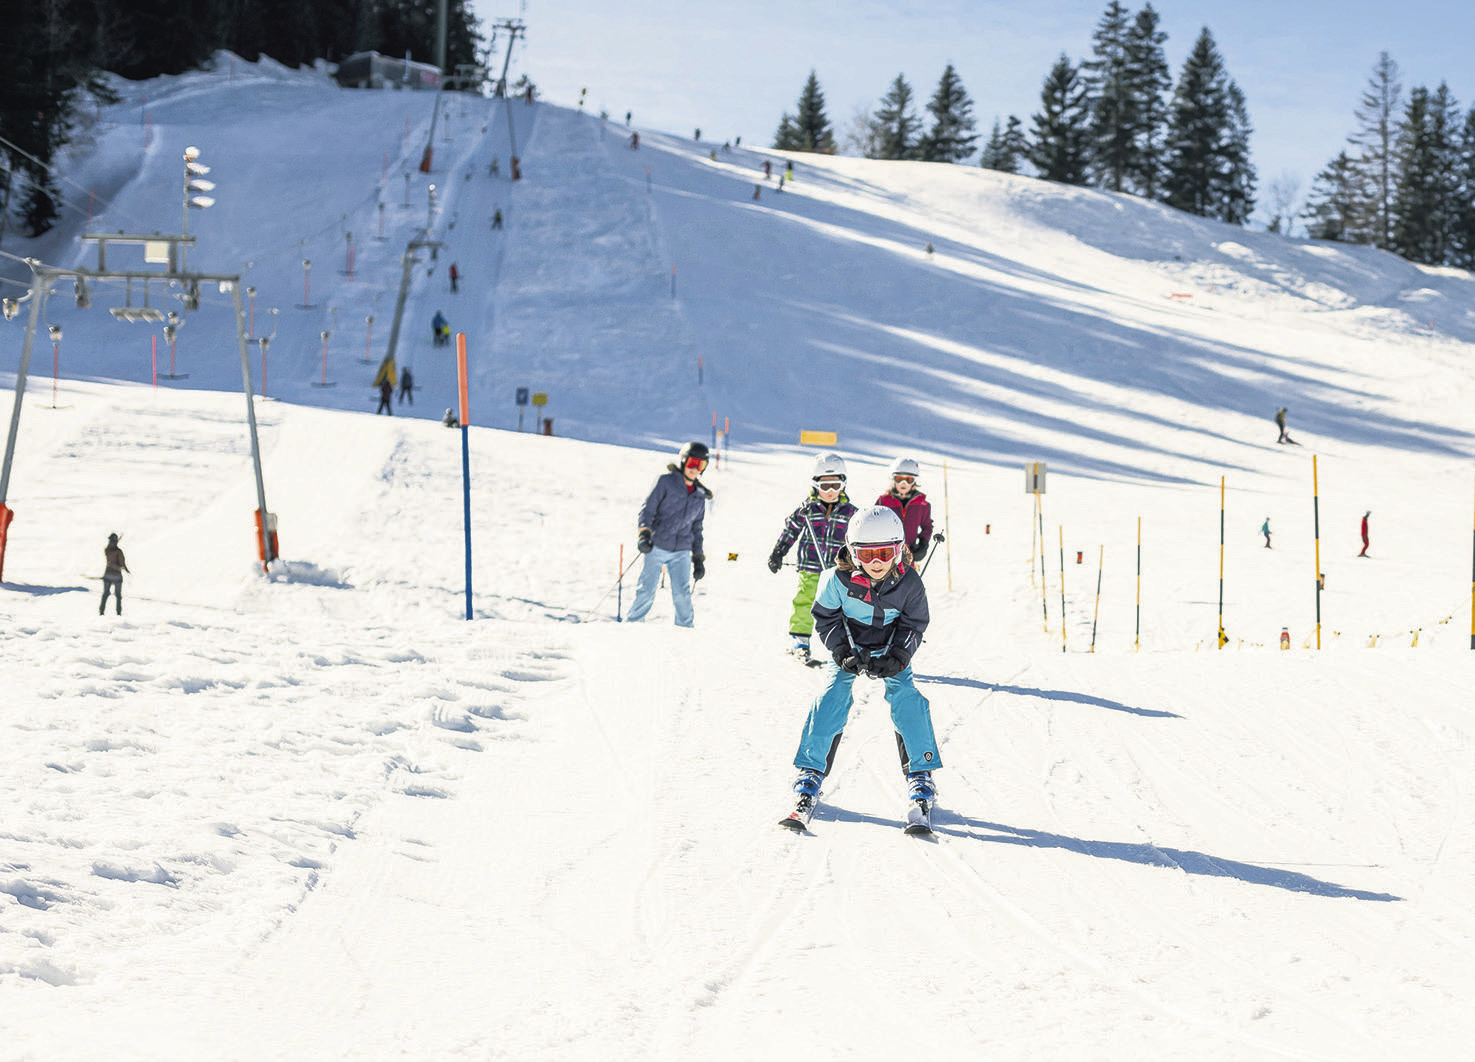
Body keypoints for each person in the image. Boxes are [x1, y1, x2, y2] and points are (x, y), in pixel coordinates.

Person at [783, 505, 940, 831]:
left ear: (899, 550)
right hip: (849, 648)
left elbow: (915, 624)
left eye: (886, 553)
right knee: (831, 696)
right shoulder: (835, 579)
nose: (878, 563)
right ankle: (810, 774)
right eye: (867, 555)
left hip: (890, 650)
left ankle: (920, 777)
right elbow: (825, 618)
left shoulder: (909, 583)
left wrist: (898, 656)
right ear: (853, 552)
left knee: (906, 697)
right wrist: (840, 651)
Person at [767, 453, 856, 664]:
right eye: (826, 487)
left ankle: (848, 646)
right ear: (815, 485)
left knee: (843, 606)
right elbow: (791, 530)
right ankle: (800, 642)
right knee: (805, 602)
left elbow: (859, 540)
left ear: (843, 485)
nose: (831, 491)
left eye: (836, 485)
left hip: (839, 570)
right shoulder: (806, 510)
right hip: (810, 567)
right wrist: (778, 551)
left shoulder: (851, 513)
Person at [627, 442, 712, 628]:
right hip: (656, 545)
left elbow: (697, 529)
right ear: (683, 461)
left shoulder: (700, 495)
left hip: (681, 550)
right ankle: (632, 625)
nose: (694, 469)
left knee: (682, 594)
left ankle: (685, 630)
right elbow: (647, 511)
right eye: (691, 463)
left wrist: (698, 558)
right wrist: (644, 534)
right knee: (647, 591)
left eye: (700, 465)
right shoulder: (665, 482)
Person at [876, 457, 939, 564]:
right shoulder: (884, 501)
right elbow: (874, 523)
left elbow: (927, 526)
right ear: (893, 479)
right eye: (899, 479)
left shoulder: (921, 504)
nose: (903, 483)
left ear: (914, 481)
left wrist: (923, 543)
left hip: (909, 555)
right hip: (885, 555)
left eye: (909, 479)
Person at [100, 533, 129, 615]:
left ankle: (101, 612)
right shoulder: (118, 551)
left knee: (105, 594)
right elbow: (122, 563)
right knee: (118, 596)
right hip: (117, 576)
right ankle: (118, 613)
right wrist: (126, 569)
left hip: (107, 574)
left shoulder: (107, 550)